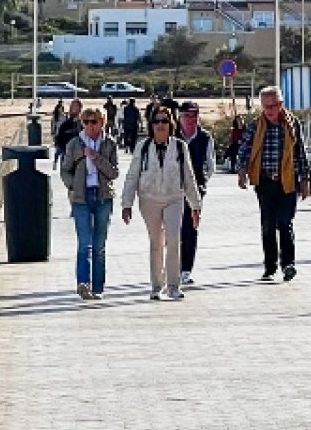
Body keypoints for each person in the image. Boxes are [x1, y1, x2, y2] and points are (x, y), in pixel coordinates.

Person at [122, 108, 203, 300]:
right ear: (151, 125)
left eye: (164, 121)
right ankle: (157, 285)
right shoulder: (142, 147)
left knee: (173, 239)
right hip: (149, 199)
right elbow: (132, 176)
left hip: (174, 198)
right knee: (156, 242)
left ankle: (173, 285)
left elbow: (189, 177)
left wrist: (195, 206)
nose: (160, 125)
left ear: (170, 124)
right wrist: (127, 203)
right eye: (156, 121)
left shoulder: (180, 147)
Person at [237, 85, 311, 281]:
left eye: (273, 106)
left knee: (285, 222)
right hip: (265, 181)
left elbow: (300, 152)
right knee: (268, 225)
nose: (269, 110)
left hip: (288, 181)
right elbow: (244, 150)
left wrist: (305, 179)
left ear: (281, 104)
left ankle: (288, 264)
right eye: (266, 106)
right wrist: (242, 172)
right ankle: (270, 266)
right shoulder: (256, 126)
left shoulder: (292, 124)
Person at [59, 105, 120, 300]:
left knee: (99, 245)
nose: (89, 125)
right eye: (85, 122)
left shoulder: (109, 144)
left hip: (103, 197)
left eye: (94, 121)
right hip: (81, 198)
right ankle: (83, 283)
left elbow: (114, 173)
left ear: (102, 122)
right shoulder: (74, 144)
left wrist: (96, 157)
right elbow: (65, 170)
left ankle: (98, 288)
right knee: (84, 244)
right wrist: (72, 186)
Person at [175, 100, 214, 285]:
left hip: (195, 191)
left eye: (194, 115)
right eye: (187, 115)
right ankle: (172, 267)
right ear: (179, 117)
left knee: (191, 229)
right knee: (173, 230)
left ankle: (186, 270)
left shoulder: (205, 137)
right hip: (173, 190)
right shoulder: (172, 137)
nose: (191, 119)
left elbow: (210, 165)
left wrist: (202, 183)